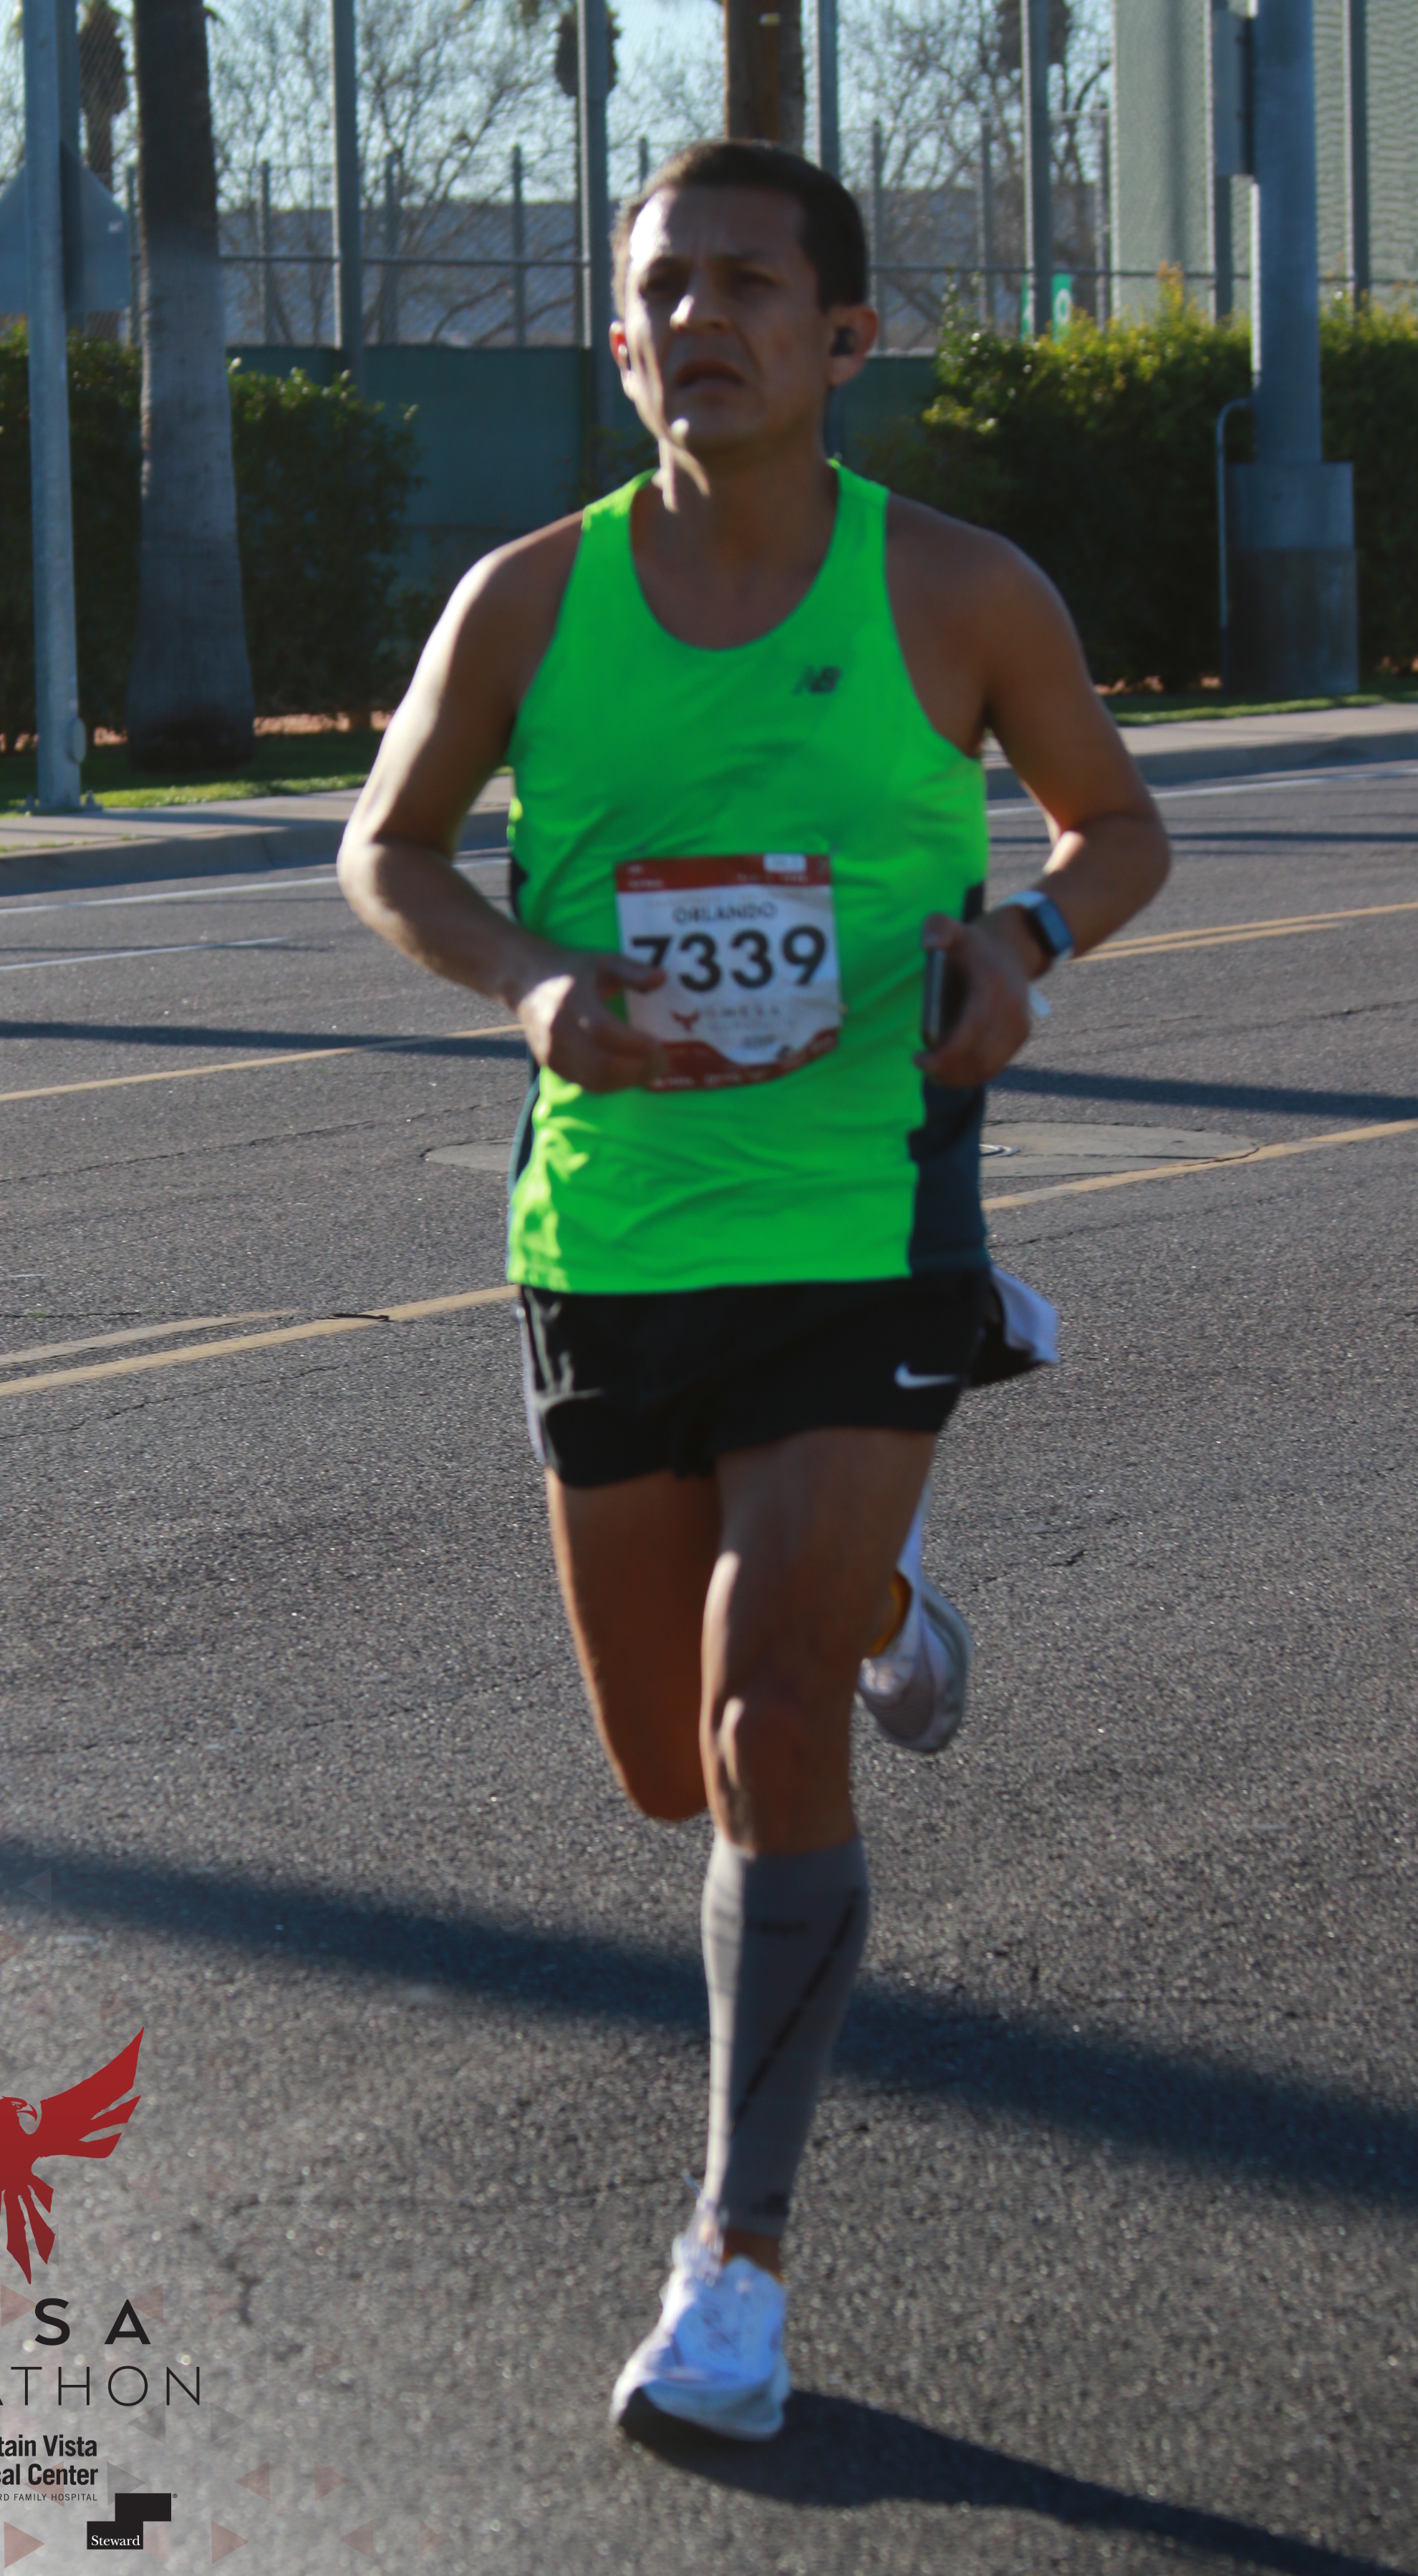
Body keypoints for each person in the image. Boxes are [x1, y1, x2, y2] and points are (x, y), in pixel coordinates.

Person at [338, 137, 1168, 2444]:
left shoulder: (961, 591)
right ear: (621, 344)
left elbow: (1119, 824)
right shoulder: (527, 601)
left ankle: (736, 2271)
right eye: (662, 290)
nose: (698, 318)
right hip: (613, 1236)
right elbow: (388, 849)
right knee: (656, 1769)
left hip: (859, 1217)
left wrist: (1026, 938)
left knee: (763, 1722)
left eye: (746, 285)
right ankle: (886, 1601)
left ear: (844, 336)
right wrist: (530, 987)